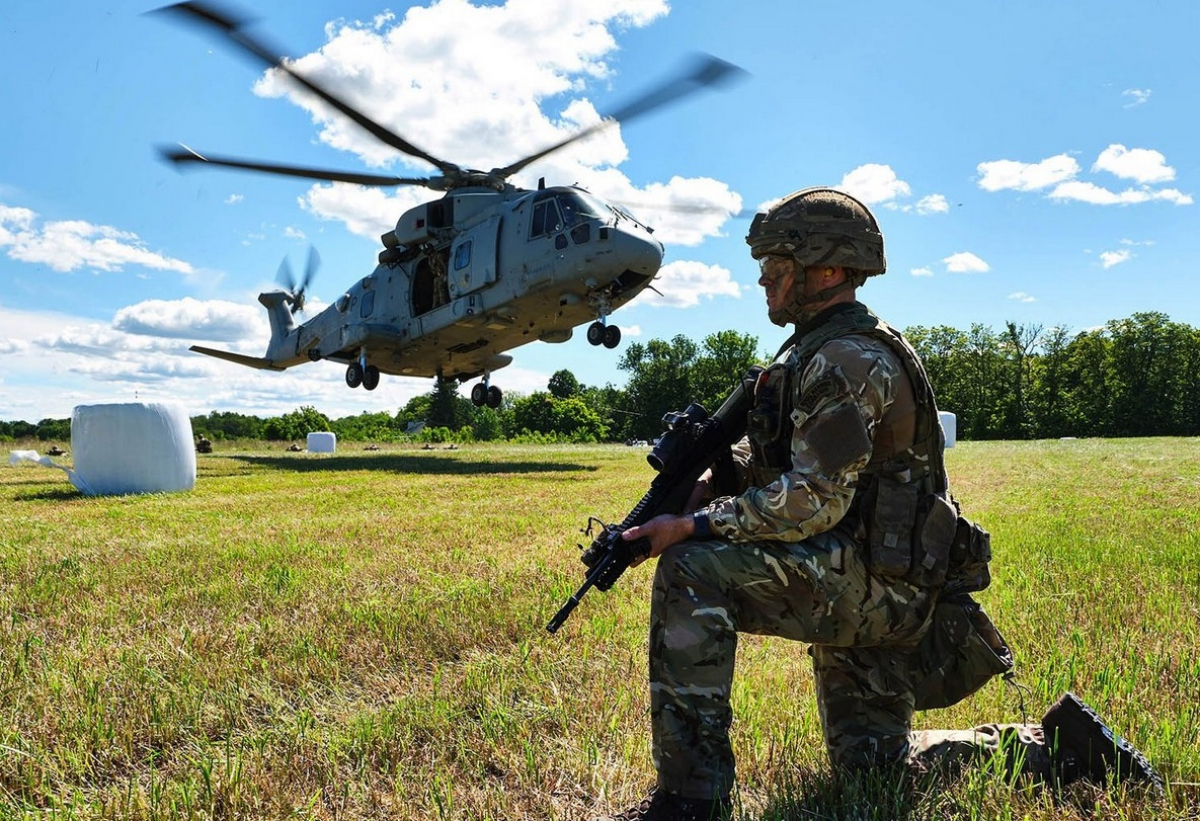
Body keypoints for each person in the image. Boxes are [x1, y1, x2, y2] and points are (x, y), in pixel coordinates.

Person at [599, 188, 1160, 821]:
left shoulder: (845, 360)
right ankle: (1059, 747)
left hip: (878, 588)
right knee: (874, 766)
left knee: (692, 571)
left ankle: (690, 799)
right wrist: (706, 484)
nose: (762, 279)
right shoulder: (822, 353)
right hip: (880, 574)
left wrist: (694, 524)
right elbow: (801, 467)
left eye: (777, 265)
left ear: (828, 270)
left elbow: (814, 500)